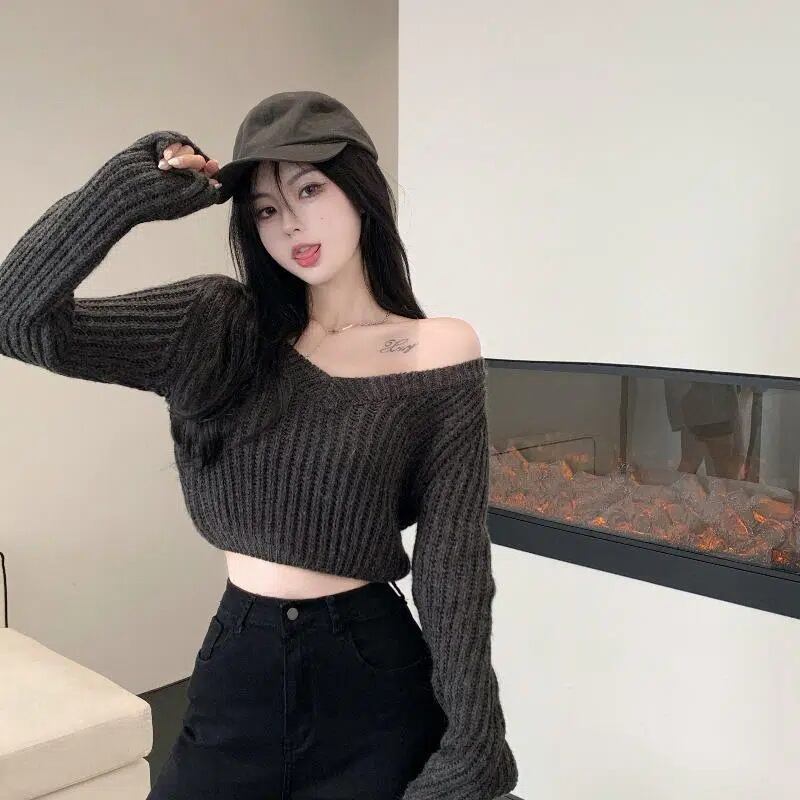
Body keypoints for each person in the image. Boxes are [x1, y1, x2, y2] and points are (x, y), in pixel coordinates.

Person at [0, 90, 518, 800]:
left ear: (361, 191)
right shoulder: (217, 325)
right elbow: (15, 318)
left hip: (371, 670)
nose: (290, 223)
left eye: (309, 189)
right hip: (241, 656)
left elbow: (453, 563)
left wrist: (473, 746)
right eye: (266, 209)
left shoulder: (437, 351)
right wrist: (132, 189)